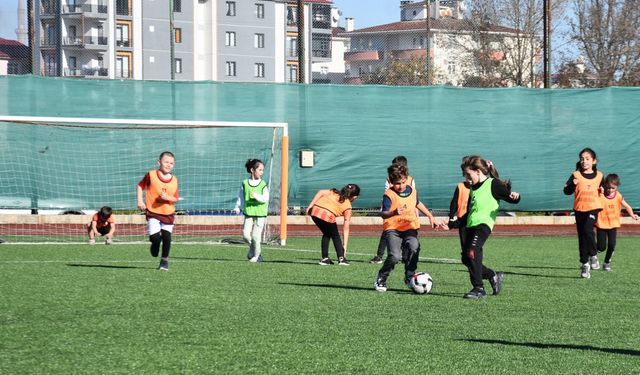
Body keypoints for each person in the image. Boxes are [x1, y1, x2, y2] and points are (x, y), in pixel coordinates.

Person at [458, 156, 520, 299]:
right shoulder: (473, 188)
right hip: (471, 226)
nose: (466, 177)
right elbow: (469, 212)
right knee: (466, 259)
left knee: (472, 252)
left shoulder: (493, 184)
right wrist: (451, 223)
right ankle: (493, 275)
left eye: (468, 174)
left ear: (478, 171)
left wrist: (516, 196)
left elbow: (510, 197)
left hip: (483, 226)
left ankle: (478, 289)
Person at [374, 164, 439, 292]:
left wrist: (430, 216)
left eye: (403, 182)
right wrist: (394, 212)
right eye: (398, 183)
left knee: (414, 247)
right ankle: (381, 278)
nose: (401, 186)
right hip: (393, 229)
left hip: (410, 227)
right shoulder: (389, 194)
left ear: (407, 179)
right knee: (395, 256)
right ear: (390, 182)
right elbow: (383, 213)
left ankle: (409, 277)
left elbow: (417, 203)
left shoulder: (412, 190)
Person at [563, 147, 604, 279]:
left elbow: (607, 189)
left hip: (594, 207)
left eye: (587, 159)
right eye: (582, 159)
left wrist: (605, 190)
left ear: (594, 161)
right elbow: (566, 191)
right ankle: (585, 265)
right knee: (582, 238)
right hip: (580, 209)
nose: (584, 161)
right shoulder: (575, 175)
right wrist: (572, 185)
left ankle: (593, 255)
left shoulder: (600, 175)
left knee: (588, 230)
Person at [370, 155, 417, 264]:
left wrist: (416, 213)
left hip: (406, 211)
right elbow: (388, 191)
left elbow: (414, 196)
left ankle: (405, 257)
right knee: (388, 231)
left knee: (408, 233)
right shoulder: (390, 179)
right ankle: (379, 255)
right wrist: (392, 209)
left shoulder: (411, 180)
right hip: (392, 208)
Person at [136, 151, 179, 271]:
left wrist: (167, 198)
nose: (169, 165)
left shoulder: (174, 179)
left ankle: (164, 260)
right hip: (153, 212)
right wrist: (140, 201)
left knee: (167, 236)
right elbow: (140, 186)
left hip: (168, 212)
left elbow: (175, 198)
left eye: (171, 163)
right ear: (159, 162)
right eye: (166, 162)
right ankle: (155, 244)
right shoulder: (151, 175)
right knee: (155, 238)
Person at [307, 184, 360, 266]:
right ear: (355, 197)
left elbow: (320, 192)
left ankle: (325, 259)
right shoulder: (348, 206)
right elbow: (346, 227)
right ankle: (341, 258)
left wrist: (310, 206)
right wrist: (344, 247)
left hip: (315, 212)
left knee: (327, 234)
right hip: (327, 215)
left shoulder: (333, 192)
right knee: (335, 236)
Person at [595, 173, 638, 271]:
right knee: (601, 247)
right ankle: (592, 256)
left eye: (613, 188)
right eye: (608, 187)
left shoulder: (618, 196)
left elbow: (627, 206)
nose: (610, 190)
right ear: (605, 185)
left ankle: (606, 263)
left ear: (617, 187)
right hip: (601, 225)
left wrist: (632, 215)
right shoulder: (600, 195)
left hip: (613, 225)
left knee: (612, 245)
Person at [233, 159, 269, 263]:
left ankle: (257, 256)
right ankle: (254, 250)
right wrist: (237, 207)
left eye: (263, 170)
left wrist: (256, 196)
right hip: (248, 212)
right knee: (245, 235)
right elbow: (240, 196)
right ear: (252, 170)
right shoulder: (245, 183)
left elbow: (265, 198)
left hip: (260, 214)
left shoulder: (262, 184)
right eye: (260, 170)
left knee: (255, 236)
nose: (262, 172)